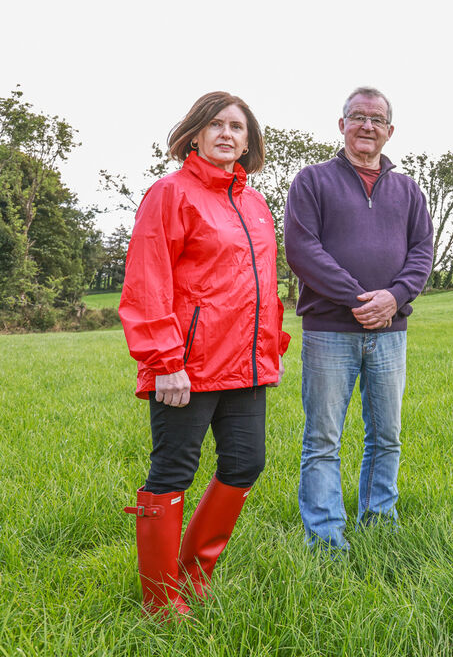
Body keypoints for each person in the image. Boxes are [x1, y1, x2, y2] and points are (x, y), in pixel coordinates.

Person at [119, 91, 289, 617]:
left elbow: (264, 286)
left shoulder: (256, 204)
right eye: (215, 124)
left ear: (249, 140)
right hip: (187, 368)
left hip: (247, 367)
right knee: (173, 471)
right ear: (194, 133)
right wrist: (166, 362)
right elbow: (148, 280)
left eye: (237, 127)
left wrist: (270, 351)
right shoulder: (169, 194)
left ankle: (193, 580)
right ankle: (159, 602)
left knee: (246, 464)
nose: (226, 134)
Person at [284, 86, 432, 552]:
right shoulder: (311, 182)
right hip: (329, 331)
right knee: (323, 437)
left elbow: (422, 253)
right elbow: (302, 250)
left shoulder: (409, 190)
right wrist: (358, 298)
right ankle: (326, 537)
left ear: (390, 131)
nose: (367, 125)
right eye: (358, 117)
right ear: (342, 125)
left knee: (386, 435)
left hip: (391, 332)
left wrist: (394, 297)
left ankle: (379, 522)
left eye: (376, 119)